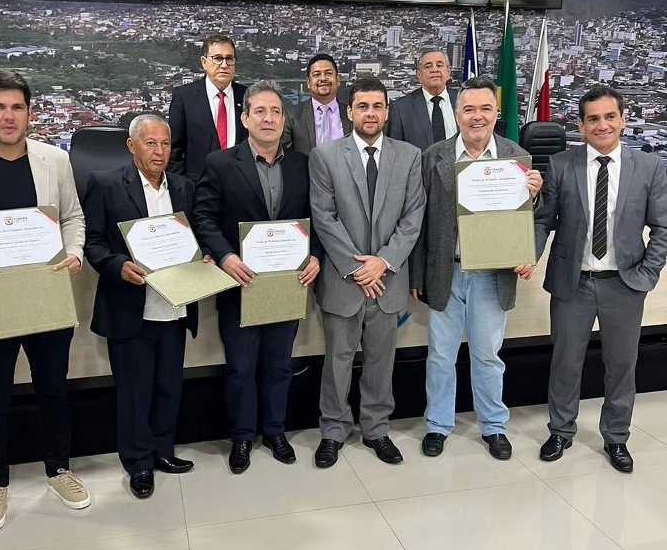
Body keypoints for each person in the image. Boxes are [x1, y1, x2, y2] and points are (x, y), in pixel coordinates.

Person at [0, 69, 90, 532]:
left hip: (45, 297)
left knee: (54, 391)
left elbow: (73, 217)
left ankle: (59, 470)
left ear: (30, 112)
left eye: (17, 107)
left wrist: (73, 252)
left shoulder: (55, 160)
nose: (9, 116)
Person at [409, 76, 542, 461]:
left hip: (492, 274)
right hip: (444, 272)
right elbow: (420, 221)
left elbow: (532, 218)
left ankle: (493, 426)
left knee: (487, 354)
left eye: (485, 108)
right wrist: (417, 276)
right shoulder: (433, 156)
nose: (477, 116)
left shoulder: (516, 157)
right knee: (440, 355)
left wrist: (534, 195)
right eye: (469, 109)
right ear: (457, 114)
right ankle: (437, 425)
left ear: (496, 113)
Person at [535, 85, 667, 473]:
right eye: (593, 118)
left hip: (624, 285)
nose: (602, 125)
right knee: (565, 362)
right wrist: (529, 254)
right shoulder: (561, 164)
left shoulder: (649, 167)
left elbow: (662, 227)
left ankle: (616, 438)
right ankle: (560, 430)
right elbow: (545, 219)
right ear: (581, 124)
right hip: (572, 284)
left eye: (610, 116)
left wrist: (647, 272)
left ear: (623, 120)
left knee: (622, 365)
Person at [192, 80, 320, 474]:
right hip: (241, 283)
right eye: (260, 112)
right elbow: (204, 217)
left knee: (280, 365)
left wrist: (316, 255)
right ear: (245, 118)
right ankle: (243, 436)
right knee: (240, 367)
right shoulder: (220, 163)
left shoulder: (303, 164)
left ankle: (276, 431)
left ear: (285, 121)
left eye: (276, 112)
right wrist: (226, 255)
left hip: (287, 284)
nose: (269, 119)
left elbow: (319, 219)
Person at [83, 114, 202, 498]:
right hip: (130, 305)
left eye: (165, 144)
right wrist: (118, 266)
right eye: (150, 143)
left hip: (175, 304)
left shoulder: (184, 187)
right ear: (131, 146)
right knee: (135, 390)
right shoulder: (104, 184)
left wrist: (205, 259)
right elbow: (93, 241)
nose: (159, 151)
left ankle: (163, 450)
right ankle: (138, 462)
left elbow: (197, 236)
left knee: (169, 384)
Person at [309, 76, 426, 468]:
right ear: (350, 111)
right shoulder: (325, 156)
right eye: (363, 106)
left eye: (377, 106)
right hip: (344, 280)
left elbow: (413, 218)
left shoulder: (410, 156)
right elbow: (324, 218)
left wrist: (383, 262)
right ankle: (333, 430)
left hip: (388, 279)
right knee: (337, 359)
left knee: (381, 360)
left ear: (387, 111)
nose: (370, 113)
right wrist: (358, 267)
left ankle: (376, 429)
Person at [167, 34, 247, 181]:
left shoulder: (247, 96)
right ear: (204, 62)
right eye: (217, 58)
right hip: (198, 190)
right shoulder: (184, 97)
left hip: (241, 189)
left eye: (229, 58)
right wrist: (184, 188)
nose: (224, 65)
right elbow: (173, 151)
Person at [387, 49, 458, 151]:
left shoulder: (463, 101)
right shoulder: (401, 108)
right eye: (428, 66)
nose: (434, 70)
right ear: (418, 74)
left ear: (448, 72)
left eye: (439, 65)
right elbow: (395, 152)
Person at [282, 52, 351, 155]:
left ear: (338, 80)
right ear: (308, 83)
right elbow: (285, 155)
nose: (323, 78)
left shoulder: (352, 114)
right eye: (316, 74)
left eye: (328, 73)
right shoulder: (293, 115)